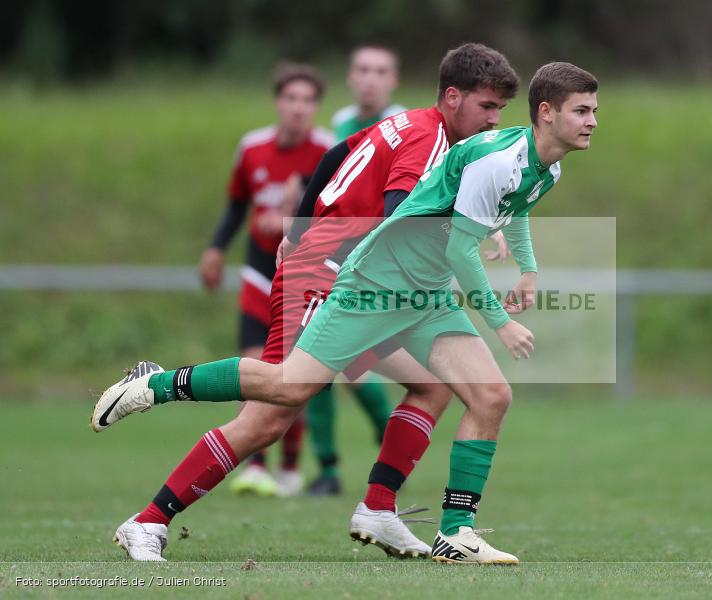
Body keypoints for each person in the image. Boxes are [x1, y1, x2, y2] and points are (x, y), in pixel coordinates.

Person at [93, 44, 521, 563]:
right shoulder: (429, 142)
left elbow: (333, 156)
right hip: (328, 274)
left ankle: (379, 509)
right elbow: (399, 217)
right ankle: (151, 471)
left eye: (501, 109)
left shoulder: (408, 122)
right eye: (488, 107)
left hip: (366, 278)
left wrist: (295, 227)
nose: (495, 120)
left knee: (433, 386)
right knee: (272, 415)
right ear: (453, 97)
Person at [197, 62, 334, 498]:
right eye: (290, 98)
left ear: (315, 107)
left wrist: (295, 220)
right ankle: (257, 465)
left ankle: (291, 467)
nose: (298, 108)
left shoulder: (329, 150)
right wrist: (216, 248)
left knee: (292, 376)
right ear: (278, 102)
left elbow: (336, 214)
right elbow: (237, 204)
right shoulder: (252, 148)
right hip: (259, 273)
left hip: (304, 277)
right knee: (257, 366)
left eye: (307, 100)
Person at [305, 45, 407, 497]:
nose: (371, 79)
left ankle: (391, 449)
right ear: (350, 76)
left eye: (380, 71)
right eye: (363, 70)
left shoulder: (410, 126)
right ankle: (329, 467)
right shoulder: (338, 127)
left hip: (384, 268)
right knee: (322, 368)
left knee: (346, 365)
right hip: (335, 260)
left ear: (394, 80)